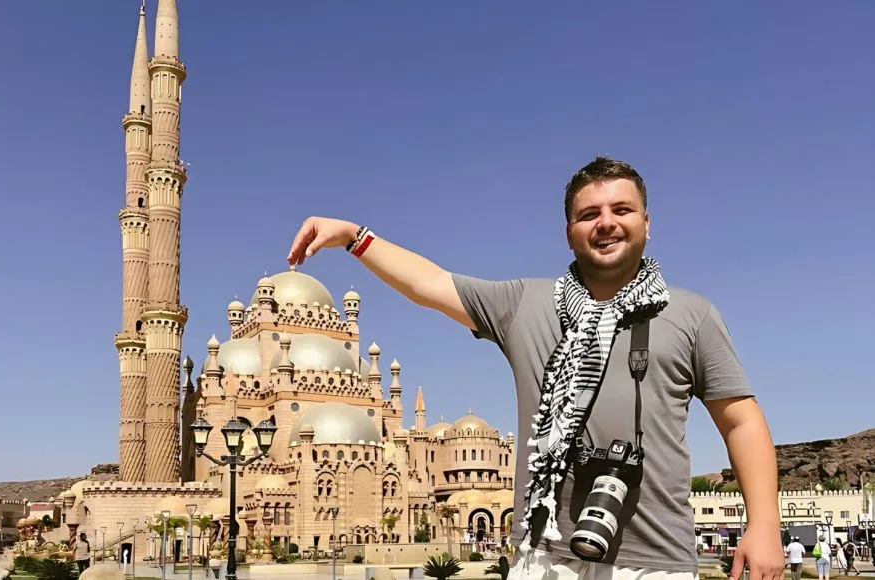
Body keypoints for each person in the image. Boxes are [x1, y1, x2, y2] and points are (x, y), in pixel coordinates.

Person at [287, 156, 784, 580]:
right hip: (545, 558)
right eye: (589, 214)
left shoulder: (691, 314)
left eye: (621, 210)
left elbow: (740, 419)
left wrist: (765, 523)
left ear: (647, 223)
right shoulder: (526, 305)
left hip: (654, 560)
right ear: (569, 232)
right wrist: (354, 236)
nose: (606, 222)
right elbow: (431, 284)